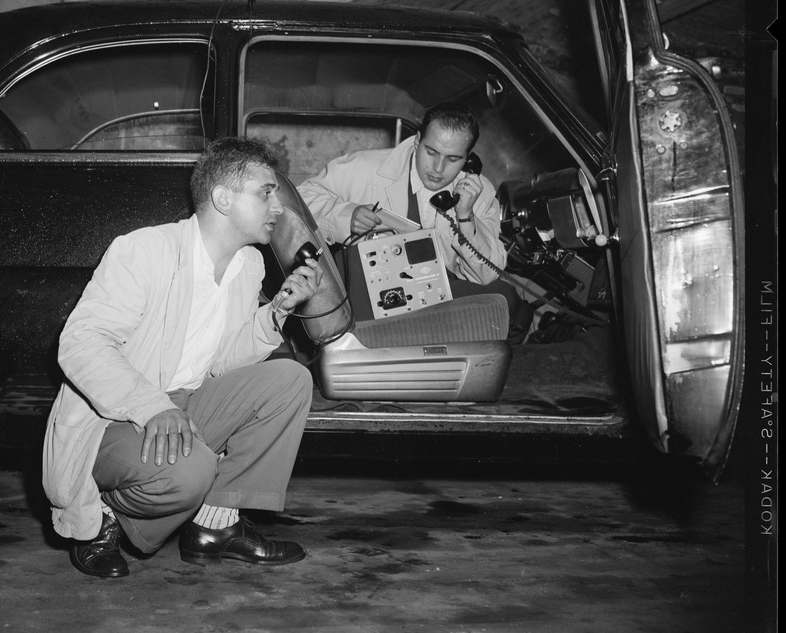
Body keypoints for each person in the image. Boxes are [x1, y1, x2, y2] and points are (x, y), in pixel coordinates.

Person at [43, 137, 323, 579]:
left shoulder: (247, 265)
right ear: (223, 198)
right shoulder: (143, 251)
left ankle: (216, 526)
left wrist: (278, 311)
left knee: (290, 380)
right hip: (114, 418)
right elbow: (82, 342)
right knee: (190, 473)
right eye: (266, 192)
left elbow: (224, 361)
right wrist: (153, 405)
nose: (278, 207)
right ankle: (102, 518)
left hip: (188, 402)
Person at [297, 102, 532, 343]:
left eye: (453, 159)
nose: (438, 169)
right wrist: (346, 215)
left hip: (436, 294)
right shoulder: (363, 168)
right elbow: (300, 198)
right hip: (372, 290)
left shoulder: (478, 193)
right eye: (431, 152)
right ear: (417, 141)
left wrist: (465, 216)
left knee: (509, 301)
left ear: (468, 160)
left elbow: (487, 274)